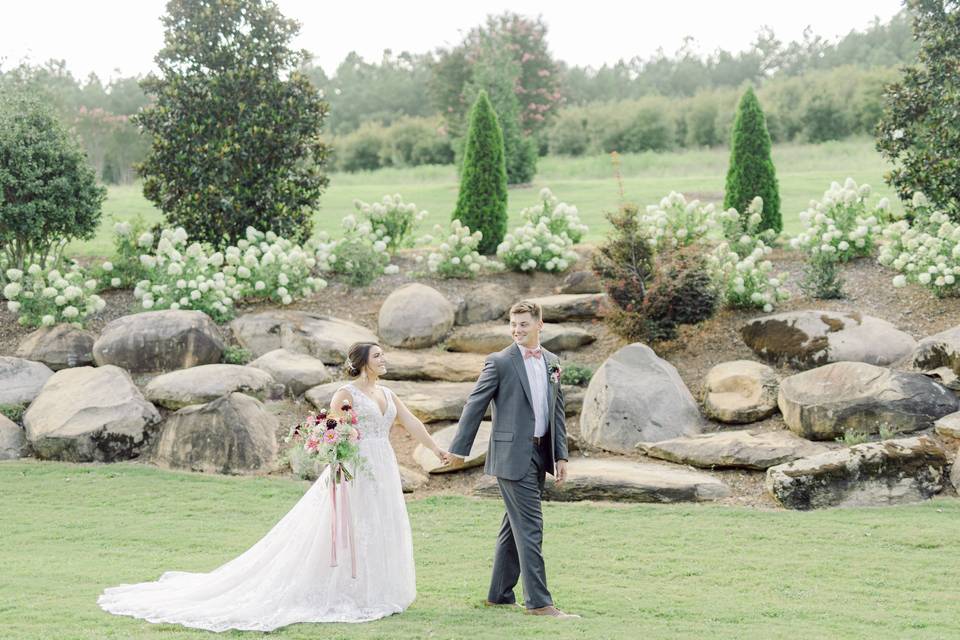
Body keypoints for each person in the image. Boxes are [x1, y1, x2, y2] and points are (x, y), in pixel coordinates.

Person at [98, 342, 449, 632]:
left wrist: (435, 449)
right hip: (352, 469)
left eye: (383, 355)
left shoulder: (386, 392)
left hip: (382, 466)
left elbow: (410, 421)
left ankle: (375, 590)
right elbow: (334, 432)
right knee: (347, 528)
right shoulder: (346, 393)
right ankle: (344, 588)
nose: (384, 359)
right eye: (378, 356)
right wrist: (337, 456)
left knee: (378, 524)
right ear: (361, 363)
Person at [448, 300, 579, 619]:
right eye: (513, 324)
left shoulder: (551, 361)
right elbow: (475, 404)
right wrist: (458, 449)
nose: (517, 329)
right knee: (531, 526)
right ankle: (539, 603)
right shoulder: (500, 361)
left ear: (540, 325)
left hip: (540, 453)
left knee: (514, 526)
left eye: (523, 324)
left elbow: (556, 411)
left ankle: (500, 595)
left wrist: (561, 454)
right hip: (511, 455)